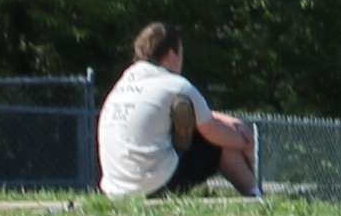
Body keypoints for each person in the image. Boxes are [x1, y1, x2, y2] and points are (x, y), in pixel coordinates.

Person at [98, 22, 257, 199]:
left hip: (115, 189)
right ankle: (254, 195)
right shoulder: (177, 85)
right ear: (171, 53)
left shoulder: (124, 83)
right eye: (181, 53)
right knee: (219, 142)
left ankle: (179, 141)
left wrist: (228, 121)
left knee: (182, 122)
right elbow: (215, 132)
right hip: (153, 184)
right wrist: (244, 141)